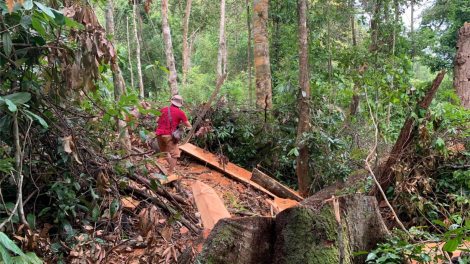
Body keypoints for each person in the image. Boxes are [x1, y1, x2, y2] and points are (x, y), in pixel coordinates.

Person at [155, 95, 191, 174]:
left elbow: (157, 120)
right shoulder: (180, 113)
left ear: (172, 101)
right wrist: (180, 122)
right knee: (175, 154)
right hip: (169, 135)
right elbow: (188, 125)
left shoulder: (163, 109)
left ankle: (172, 167)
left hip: (159, 134)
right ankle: (170, 172)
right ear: (180, 104)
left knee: (165, 152)